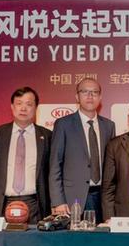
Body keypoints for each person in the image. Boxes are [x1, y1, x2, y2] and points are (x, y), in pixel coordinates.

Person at [49, 77, 116, 222]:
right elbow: (55, 164)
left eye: (94, 92)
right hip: (72, 198)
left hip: (103, 198)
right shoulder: (63, 124)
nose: (90, 96)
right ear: (77, 96)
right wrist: (58, 201)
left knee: (102, 236)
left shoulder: (109, 126)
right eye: (85, 91)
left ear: (100, 97)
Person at [0, 87, 52, 224]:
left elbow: (51, 171)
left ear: (36, 108)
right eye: (19, 103)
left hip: (35, 204)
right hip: (2, 202)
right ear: (12, 107)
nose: (23, 108)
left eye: (29, 104)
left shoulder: (47, 136)